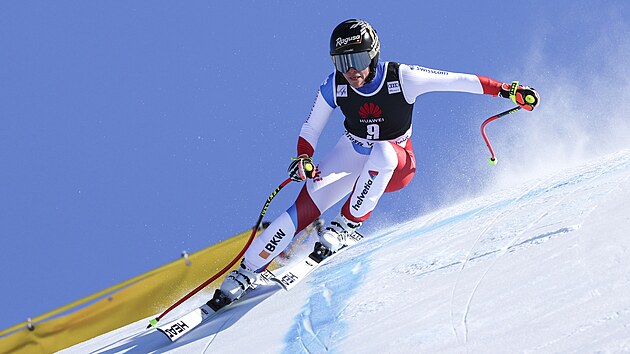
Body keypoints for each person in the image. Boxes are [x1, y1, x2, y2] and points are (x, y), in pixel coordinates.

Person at [216, 19, 540, 301]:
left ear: (373, 54)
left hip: (397, 163)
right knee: (300, 209)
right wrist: (304, 157)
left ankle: (346, 225)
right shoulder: (335, 85)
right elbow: (311, 127)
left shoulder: (403, 77)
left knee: (383, 151)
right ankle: (247, 271)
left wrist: (507, 91)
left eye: (357, 59)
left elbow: (458, 81)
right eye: (343, 63)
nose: (352, 71)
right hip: (351, 152)